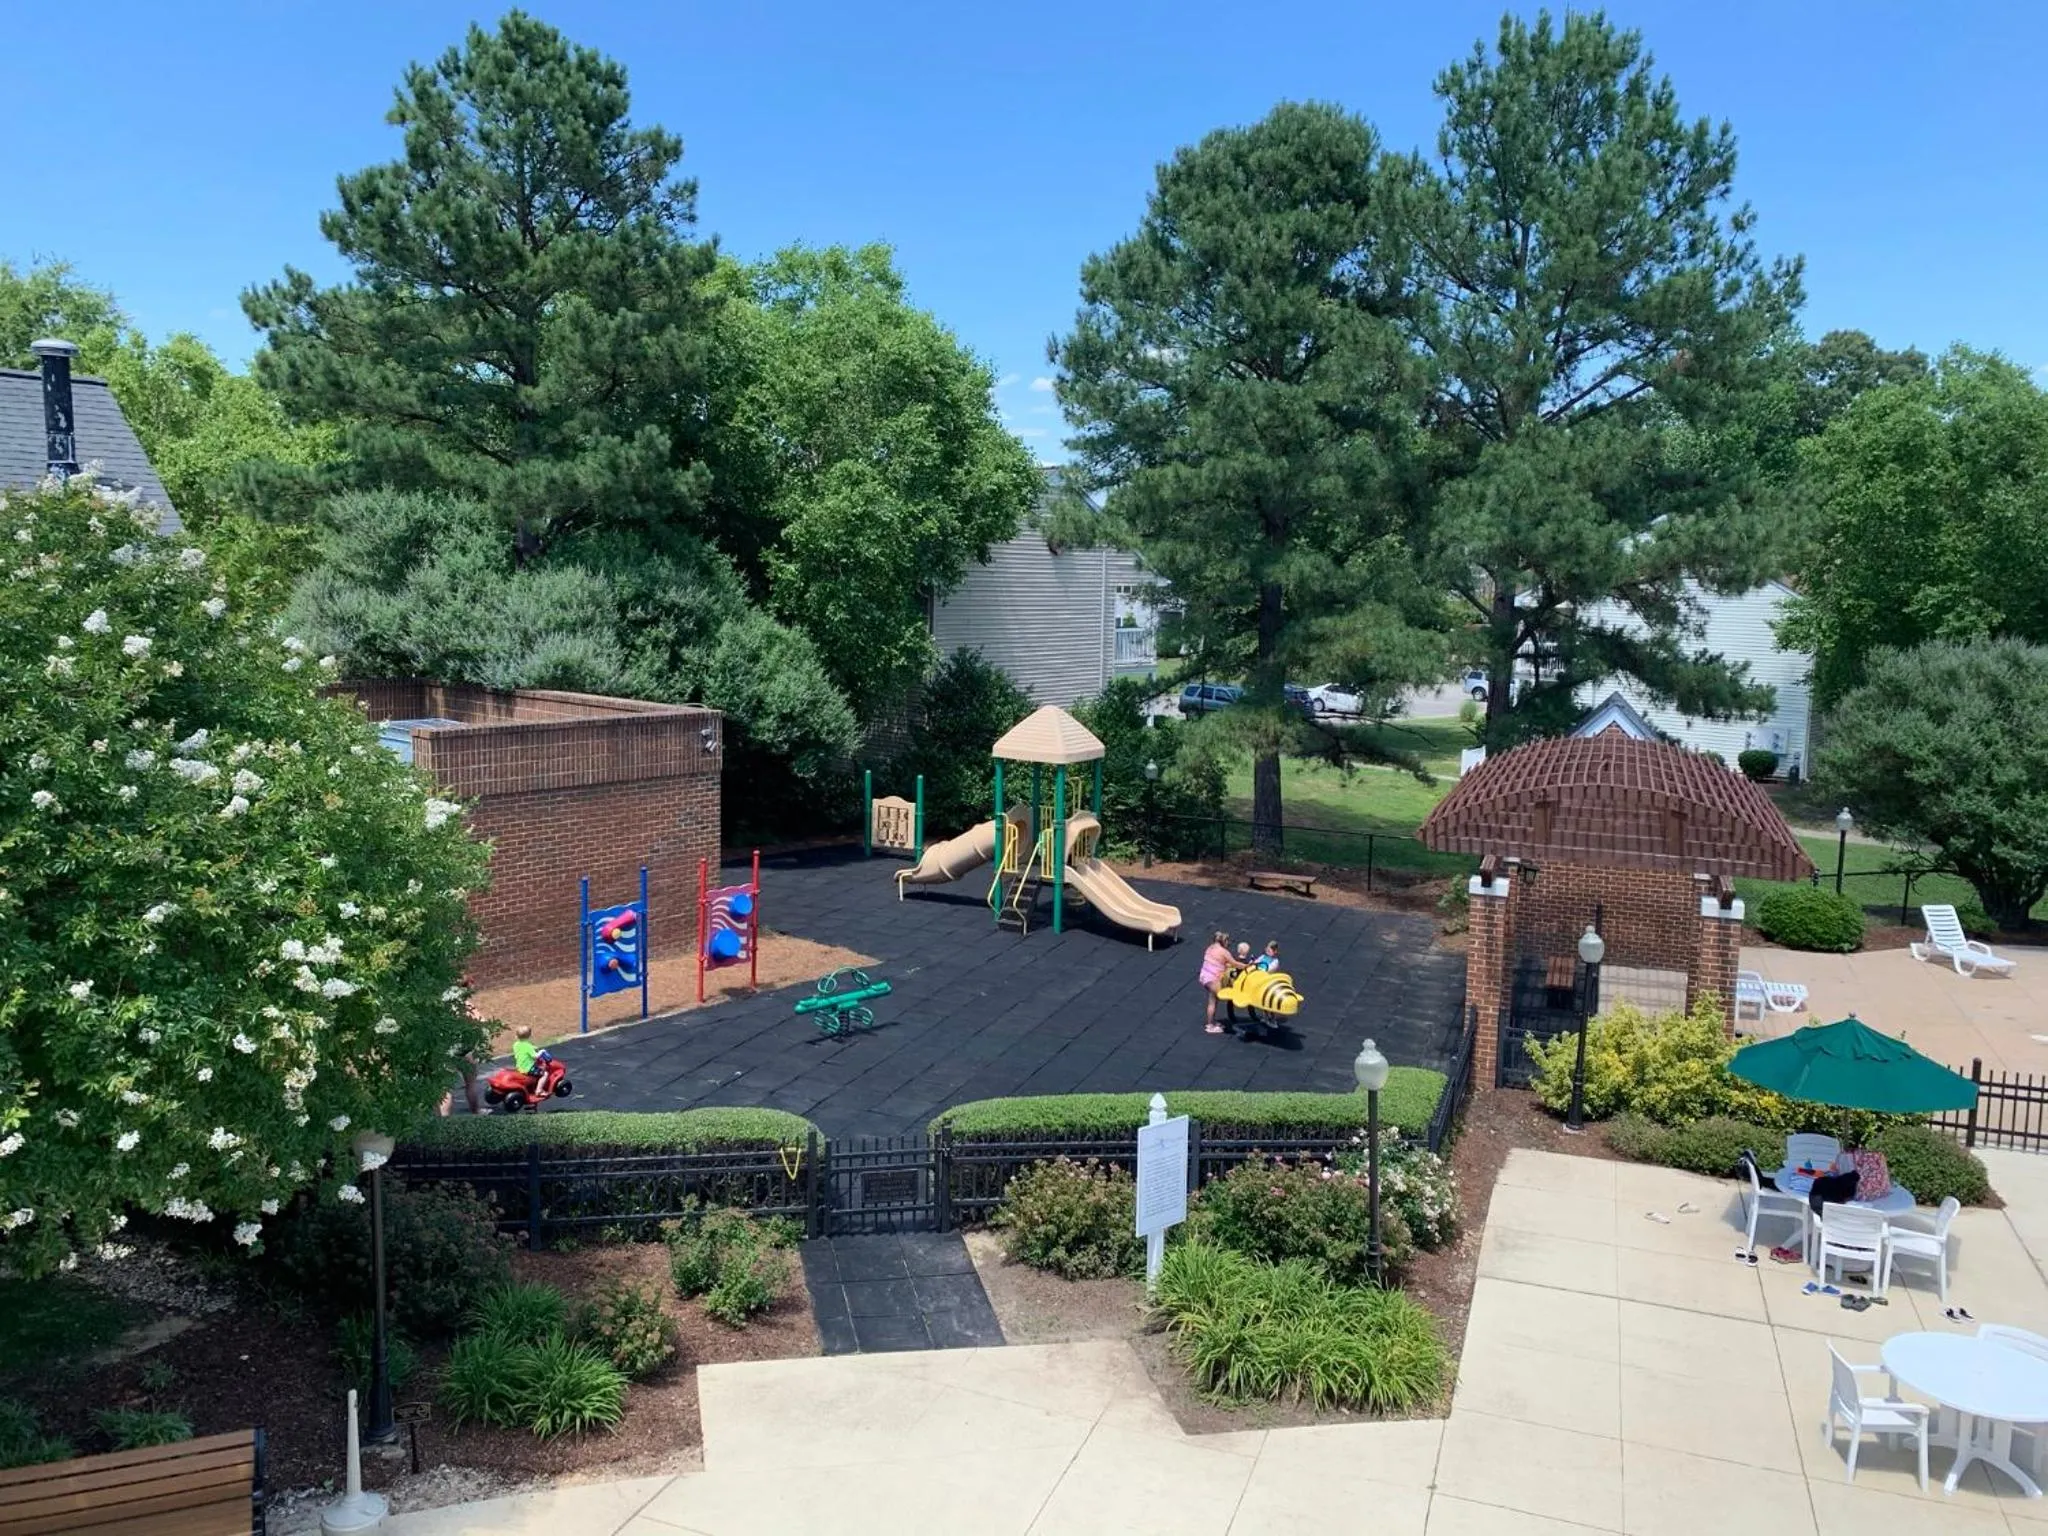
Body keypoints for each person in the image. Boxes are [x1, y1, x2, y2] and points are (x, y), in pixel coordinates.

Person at [1199, 931, 1233, 1035]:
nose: (1228, 943)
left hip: (1206, 977)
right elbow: (1232, 963)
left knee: (1213, 1001)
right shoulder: (1222, 952)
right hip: (1212, 979)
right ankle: (1210, 1025)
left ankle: (1212, 1022)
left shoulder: (1211, 948)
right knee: (1213, 1001)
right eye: (1227, 941)